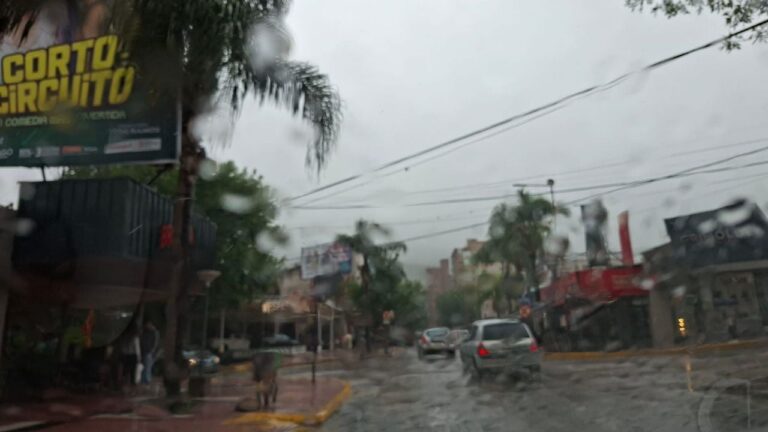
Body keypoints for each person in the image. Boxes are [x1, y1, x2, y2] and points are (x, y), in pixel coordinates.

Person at [119, 326, 141, 390]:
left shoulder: (123, 336)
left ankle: (124, 383)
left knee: (125, 370)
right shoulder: (135, 337)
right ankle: (131, 384)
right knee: (132, 371)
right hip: (132, 355)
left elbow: (121, 346)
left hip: (124, 355)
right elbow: (137, 348)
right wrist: (139, 357)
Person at [140, 320, 159, 384]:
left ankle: (147, 379)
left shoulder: (154, 332)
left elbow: (155, 343)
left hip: (149, 351)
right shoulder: (147, 332)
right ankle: (144, 379)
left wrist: (152, 351)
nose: (147, 326)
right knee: (145, 366)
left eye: (148, 324)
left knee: (148, 366)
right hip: (145, 351)